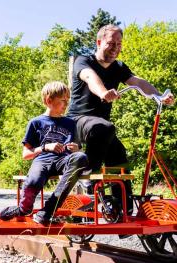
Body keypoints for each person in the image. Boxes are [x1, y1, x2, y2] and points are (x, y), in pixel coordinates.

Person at [67, 24, 174, 214]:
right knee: (104, 127)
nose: (115, 47)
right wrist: (103, 93)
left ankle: (122, 209)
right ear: (99, 42)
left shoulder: (118, 67)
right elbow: (90, 77)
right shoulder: (83, 61)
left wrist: (159, 96)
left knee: (118, 154)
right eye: (111, 43)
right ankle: (87, 179)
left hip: (100, 128)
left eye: (119, 43)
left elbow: (138, 82)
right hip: (77, 121)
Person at [0, 81, 90, 224]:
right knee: (33, 182)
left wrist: (77, 149)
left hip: (63, 161)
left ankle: (47, 212)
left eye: (68, 100)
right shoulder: (36, 122)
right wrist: (46, 147)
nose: (66, 104)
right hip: (42, 160)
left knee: (81, 157)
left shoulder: (71, 123)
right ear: (49, 100)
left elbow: (78, 149)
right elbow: (26, 154)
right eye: (62, 101)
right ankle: (23, 209)